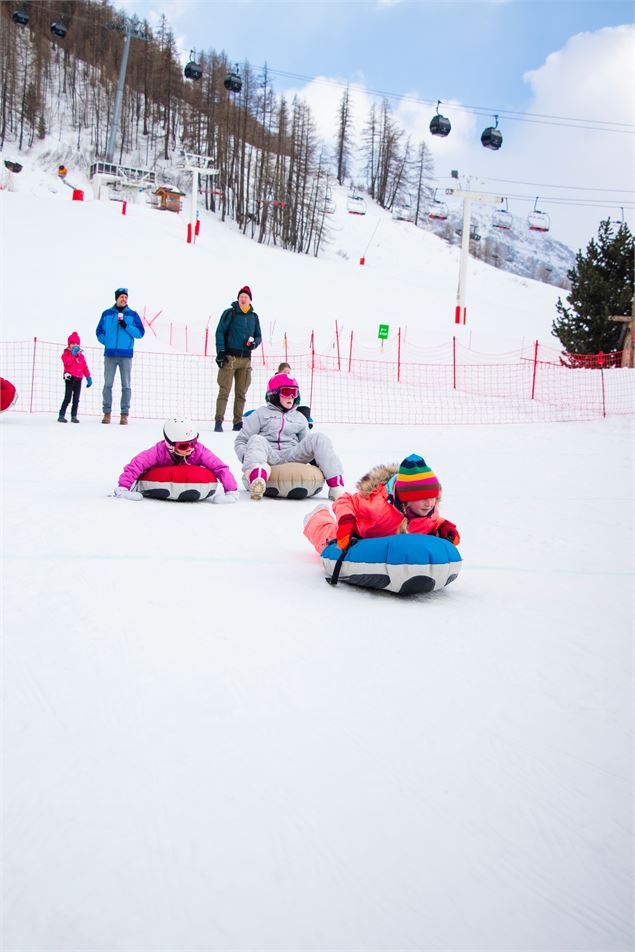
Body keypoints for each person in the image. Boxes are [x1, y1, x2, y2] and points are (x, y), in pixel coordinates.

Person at [303, 454, 460, 554]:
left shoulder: (429, 510)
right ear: (406, 498)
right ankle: (316, 517)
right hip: (359, 535)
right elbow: (345, 500)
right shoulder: (376, 504)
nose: (430, 503)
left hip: (392, 546)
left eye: (433, 497)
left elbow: (434, 521)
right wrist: (346, 522)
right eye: (422, 497)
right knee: (327, 538)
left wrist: (444, 527)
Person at [234, 372, 345, 501]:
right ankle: (258, 479)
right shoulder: (260, 414)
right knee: (256, 439)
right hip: (268, 455)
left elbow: (307, 444)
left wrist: (317, 461)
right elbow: (241, 441)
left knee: (319, 438)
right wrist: (247, 457)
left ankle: (336, 487)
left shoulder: (299, 417)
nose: (291, 397)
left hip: (292, 455)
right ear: (274, 394)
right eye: (286, 392)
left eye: (294, 393)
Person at [114, 417, 239, 502]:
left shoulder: (199, 451)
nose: (191, 448)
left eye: (194, 442)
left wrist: (231, 491)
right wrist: (123, 487)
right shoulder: (159, 452)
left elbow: (219, 467)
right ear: (170, 445)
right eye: (184, 445)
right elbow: (137, 463)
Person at [214, 285, 262, 432]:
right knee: (224, 391)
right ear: (238, 299)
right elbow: (220, 332)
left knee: (241, 393)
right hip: (230, 358)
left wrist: (254, 343)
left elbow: (259, 336)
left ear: (250, 300)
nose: (243, 299)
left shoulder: (254, 317)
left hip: (246, 360)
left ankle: (237, 422)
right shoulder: (230, 313)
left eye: (246, 297)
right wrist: (221, 352)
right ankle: (218, 421)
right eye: (241, 296)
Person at [96, 287, 145, 425]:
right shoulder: (106, 314)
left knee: (126, 385)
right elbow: (99, 331)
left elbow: (140, 333)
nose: (124, 299)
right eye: (121, 297)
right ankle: (107, 413)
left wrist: (126, 326)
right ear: (116, 298)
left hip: (126, 355)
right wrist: (106, 341)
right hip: (110, 354)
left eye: (126, 297)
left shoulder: (132, 315)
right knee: (108, 384)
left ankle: (124, 414)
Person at [58, 331, 92, 423]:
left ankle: (74, 416)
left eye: (77, 343)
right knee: (68, 398)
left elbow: (84, 367)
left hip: (78, 379)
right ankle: (61, 415)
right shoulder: (66, 354)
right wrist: (73, 355)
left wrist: (88, 377)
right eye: (73, 343)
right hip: (69, 378)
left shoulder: (81, 356)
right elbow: (67, 363)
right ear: (69, 345)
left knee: (76, 399)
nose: (75, 345)